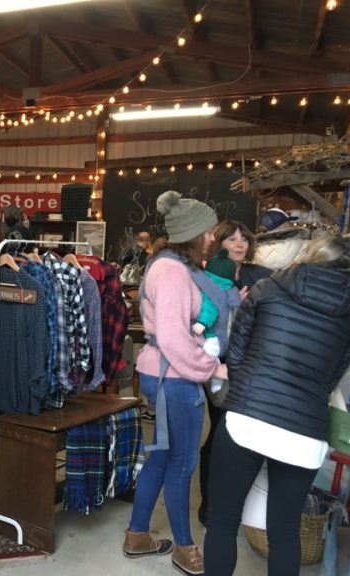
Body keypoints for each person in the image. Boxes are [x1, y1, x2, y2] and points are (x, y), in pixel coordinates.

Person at [204, 235, 350, 576]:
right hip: (304, 432)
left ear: (312, 254)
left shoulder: (268, 287)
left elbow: (235, 354)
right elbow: (333, 375)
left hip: (247, 417)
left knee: (222, 524)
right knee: (285, 534)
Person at [123, 190, 227, 576]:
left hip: (163, 372)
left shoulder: (170, 266)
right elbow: (171, 335)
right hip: (174, 375)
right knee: (183, 465)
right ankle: (185, 548)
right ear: (193, 232)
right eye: (211, 231)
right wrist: (209, 367)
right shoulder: (171, 271)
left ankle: (137, 536)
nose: (214, 237)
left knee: (163, 458)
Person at [197, 220, 272, 526]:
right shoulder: (206, 276)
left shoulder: (261, 277)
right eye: (232, 239)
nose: (240, 244)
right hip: (216, 360)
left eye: (244, 238)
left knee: (240, 432)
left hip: (249, 361)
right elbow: (199, 317)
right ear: (219, 243)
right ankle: (210, 506)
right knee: (220, 429)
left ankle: (231, 505)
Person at [253, 207, 310, 271]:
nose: (291, 225)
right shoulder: (306, 245)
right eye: (289, 222)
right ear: (284, 225)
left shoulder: (253, 254)